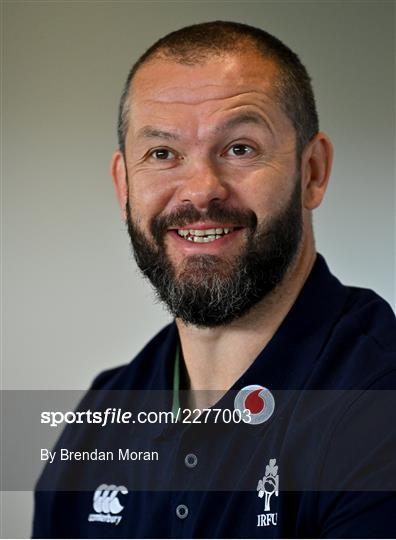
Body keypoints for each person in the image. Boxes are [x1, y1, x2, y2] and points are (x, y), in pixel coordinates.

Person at [33, 21, 396, 538]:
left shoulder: (377, 404)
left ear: (312, 171)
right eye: (163, 154)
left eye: (240, 148)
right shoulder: (101, 420)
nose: (201, 191)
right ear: (124, 186)